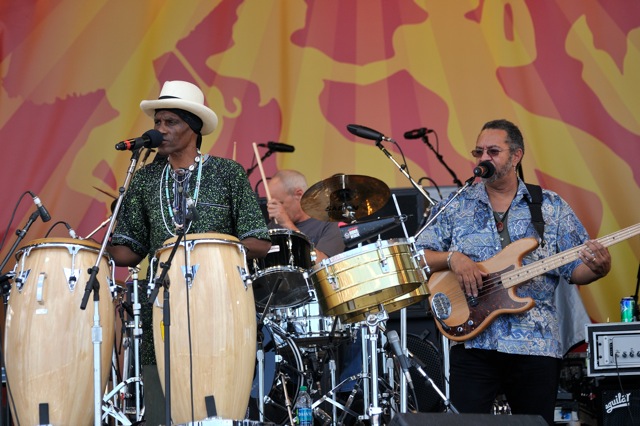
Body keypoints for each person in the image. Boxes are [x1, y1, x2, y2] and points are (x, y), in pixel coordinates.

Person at [416, 119, 611, 424]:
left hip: (535, 343)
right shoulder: (456, 205)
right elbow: (418, 256)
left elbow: (576, 270)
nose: (483, 158)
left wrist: (599, 268)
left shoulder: (549, 206)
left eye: (493, 151)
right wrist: (453, 258)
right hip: (473, 341)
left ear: (516, 156)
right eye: (478, 151)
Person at [107, 80, 271, 423]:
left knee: (216, 394)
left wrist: (212, 252)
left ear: (193, 128)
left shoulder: (227, 173)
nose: (161, 130)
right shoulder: (145, 179)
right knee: (159, 396)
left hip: (219, 298)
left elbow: (259, 242)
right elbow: (129, 253)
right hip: (161, 299)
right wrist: (107, 240)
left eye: (171, 122)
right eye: (157, 123)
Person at [266, 169, 345, 261]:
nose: (276, 210)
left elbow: (324, 265)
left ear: (299, 194)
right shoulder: (273, 227)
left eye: (280, 203)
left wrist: (288, 224)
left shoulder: (329, 221)